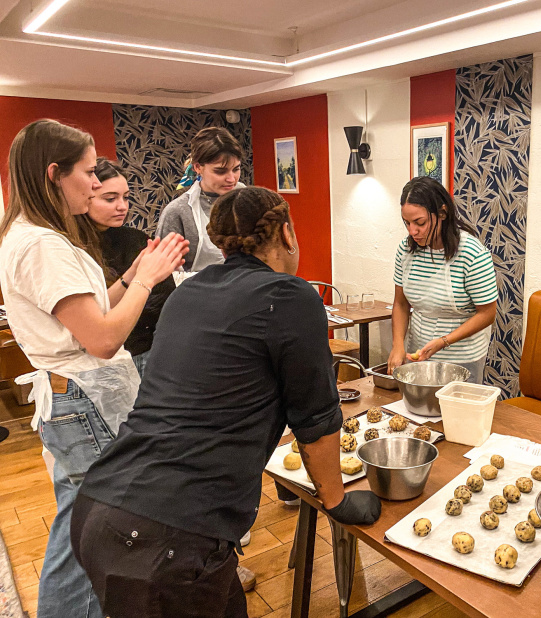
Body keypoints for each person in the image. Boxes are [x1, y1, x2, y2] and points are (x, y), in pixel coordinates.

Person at [71, 186, 381, 618]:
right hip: (165, 536)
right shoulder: (291, 297)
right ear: (287, 235)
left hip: (102, 506)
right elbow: (316, 420)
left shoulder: (187, 294)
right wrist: (336, 502)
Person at [0, 119, 187, 618]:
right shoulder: (41, 244)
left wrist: (132, 274)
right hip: (81, 399)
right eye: (87, 172)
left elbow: (92, 312)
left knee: (78, 526)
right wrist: (146, 281)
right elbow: (103, 338)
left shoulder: (39, 236)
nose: (94, 183)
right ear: (54, 174)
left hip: (75, 396)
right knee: (94, 535)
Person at [387, 176, 498, 383]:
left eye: (420, 222)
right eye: (407, 223)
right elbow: (401, 303)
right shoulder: (406, 249)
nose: (413, 231)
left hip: (462, 358)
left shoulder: (472, 253)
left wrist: (443, 341)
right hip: (418, 352)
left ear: (442, 213)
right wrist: (398, 345)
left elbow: (487, 313)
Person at [79, 157, 176, 376]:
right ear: (84, 197)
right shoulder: (70, 249)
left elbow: (164, 298)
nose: (122, 206)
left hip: (149, 349)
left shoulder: (134, 239)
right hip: (99, 361)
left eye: (126, 197)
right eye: (110, 199)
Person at [156, 127, 245, 272]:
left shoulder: (249, 200)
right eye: (220, 171)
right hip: (199, 292)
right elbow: (163, 273)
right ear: (198, 167)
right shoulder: (178, 212)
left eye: (236, 169)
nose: (231, 179)